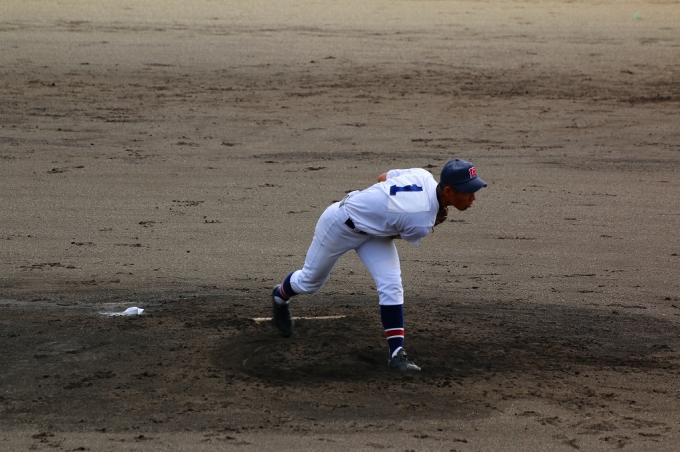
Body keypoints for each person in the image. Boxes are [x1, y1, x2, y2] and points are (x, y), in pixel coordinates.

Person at [270, 158, 487, 371]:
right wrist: (390, 212)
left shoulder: (422, 175)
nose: (473, 197)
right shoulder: (421, 220)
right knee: (309, 282)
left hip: (373, 231)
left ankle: (396, 353)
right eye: (468, 191)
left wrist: (380, 208)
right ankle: (280, 296)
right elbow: (394, 233)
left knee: (391, 284)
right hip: (339, 225)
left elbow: (383, 178)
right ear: (448, 191)